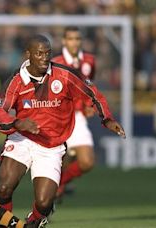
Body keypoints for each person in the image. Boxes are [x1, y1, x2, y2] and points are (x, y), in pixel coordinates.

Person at [0, 34, 125, 227]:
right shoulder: (16, 80)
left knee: (44, 203)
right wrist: (17, 123)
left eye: (48, 53)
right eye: (39, 53)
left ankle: (35, 220)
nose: (45, 58)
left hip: (51, 145)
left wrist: (107, 118)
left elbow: (92, 93)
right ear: (28, 55)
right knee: (4, 188)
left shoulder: (64, 75)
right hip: (22, 138)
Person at [51, 26, 97, 200]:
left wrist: (88, 104)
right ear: (64, 41)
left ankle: (61, 183)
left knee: (87, 161)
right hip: (58, 118)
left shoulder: (89, 61)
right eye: (71, 39)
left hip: (77, 117)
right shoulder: (55, 62)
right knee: (55, 164)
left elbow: (88, 85)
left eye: (77, 39)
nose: (74, 42)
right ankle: (44, 211)